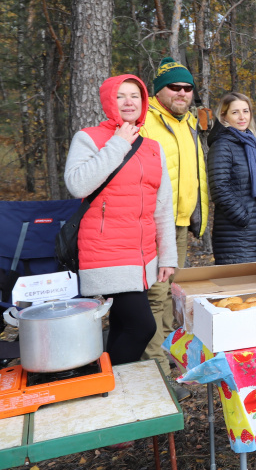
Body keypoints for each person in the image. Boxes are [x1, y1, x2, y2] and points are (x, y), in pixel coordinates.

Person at [64, 75, 176, 366]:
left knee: (123, 326)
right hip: (106, 251)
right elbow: (77, 185)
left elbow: (162, 206)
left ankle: (106, 385)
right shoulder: (88, 138)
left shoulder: (153, 147)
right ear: (108, 101)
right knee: (142, 327)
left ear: (144, 102)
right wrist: (117, 144)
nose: (129, 102)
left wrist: (167, 256)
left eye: (135, 96)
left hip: (142, 253)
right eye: (121, 96)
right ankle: (109, 384)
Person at [139, 57, 209, 389]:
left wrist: (198, 215)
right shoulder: (145, 121)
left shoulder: (188, 123)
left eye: (187, 88)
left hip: (180, 222)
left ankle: (166, 354)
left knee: (171, 295)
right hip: (152, 224)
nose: (182, 92)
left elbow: (195, 174)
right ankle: (155, 372)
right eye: (174, 87)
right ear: (159, 91)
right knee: (155, 295)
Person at [207, 92, 256, 265]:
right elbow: (219, 189)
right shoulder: (222, 145)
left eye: (246, 111)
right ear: (224, 116)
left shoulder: (247, 143)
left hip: (253, 235)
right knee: (239, 289)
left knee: (253, 289)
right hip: (235, 234)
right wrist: (245, 219)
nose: (242, 117)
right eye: (235, 112)